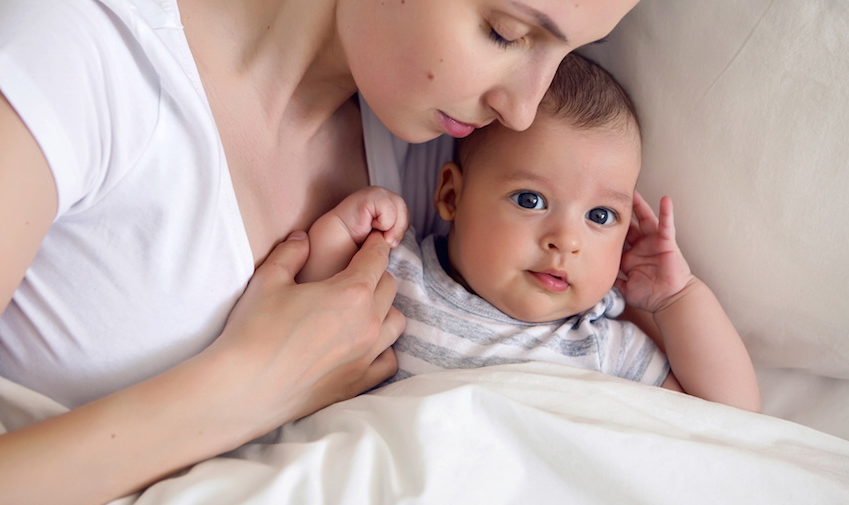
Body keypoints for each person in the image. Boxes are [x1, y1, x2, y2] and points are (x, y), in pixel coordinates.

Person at [0, 0, 672, 505]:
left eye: (564, 53)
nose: (524, 107)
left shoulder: (447, 153)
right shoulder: (63, 53)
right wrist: (238, 391)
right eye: (506, 32)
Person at [300, 53, 760, 411]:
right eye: (530, 200)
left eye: (600, 216)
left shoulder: (600, 346)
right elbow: (318, 306)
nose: (566, 241)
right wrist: (343, 227)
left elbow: (731, 413)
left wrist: (678, 299)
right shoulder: (402, 277)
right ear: (452, 196)